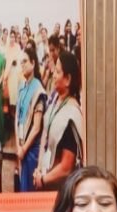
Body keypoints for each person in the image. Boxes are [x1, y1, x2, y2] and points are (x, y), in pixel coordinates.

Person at [33, 51, 83, 192]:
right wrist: (39, 169)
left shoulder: (71, 114)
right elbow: (45, 134)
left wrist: (43, 179)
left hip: (59, 190)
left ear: (68, 79)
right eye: (54, 70)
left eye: (58, 72)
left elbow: (66, 166)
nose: (53, 75)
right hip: (45, 178)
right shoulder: (56, 100)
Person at [15, 48, 46, 192]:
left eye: (25, 61)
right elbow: (17, 117)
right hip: (21, 146)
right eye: (21, 62)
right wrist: (18, 146)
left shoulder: (38, 90)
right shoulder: (22, 86)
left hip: (32, 149)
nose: (22, 65)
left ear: (33, 63)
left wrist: (24, 149)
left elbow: (37, 127)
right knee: (22, 187)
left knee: (29, 190)